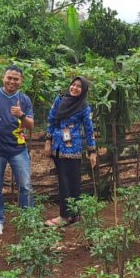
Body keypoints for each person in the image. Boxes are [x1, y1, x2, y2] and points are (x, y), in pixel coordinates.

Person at [0, 66, 34, 235]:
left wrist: (21, 115)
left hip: (18, 149)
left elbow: (31, 125)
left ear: (21, 81)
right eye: (9, 77)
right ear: (3, 78)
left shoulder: (24, 100)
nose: (12, 81)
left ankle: (28, 217)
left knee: (25, 185)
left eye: (16, 79)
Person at [44, 76, 97, 227]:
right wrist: (48, 141)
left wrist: (92, 151)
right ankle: (69, 215)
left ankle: (68, 216)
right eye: (73, 85)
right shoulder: (59, 100)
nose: (75, 88)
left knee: (72, 181)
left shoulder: (84, 107)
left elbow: (88, 129)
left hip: (73, 148)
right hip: (58, 147)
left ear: (83, 91)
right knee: (63, 181)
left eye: (79, 87)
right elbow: (51, 120)